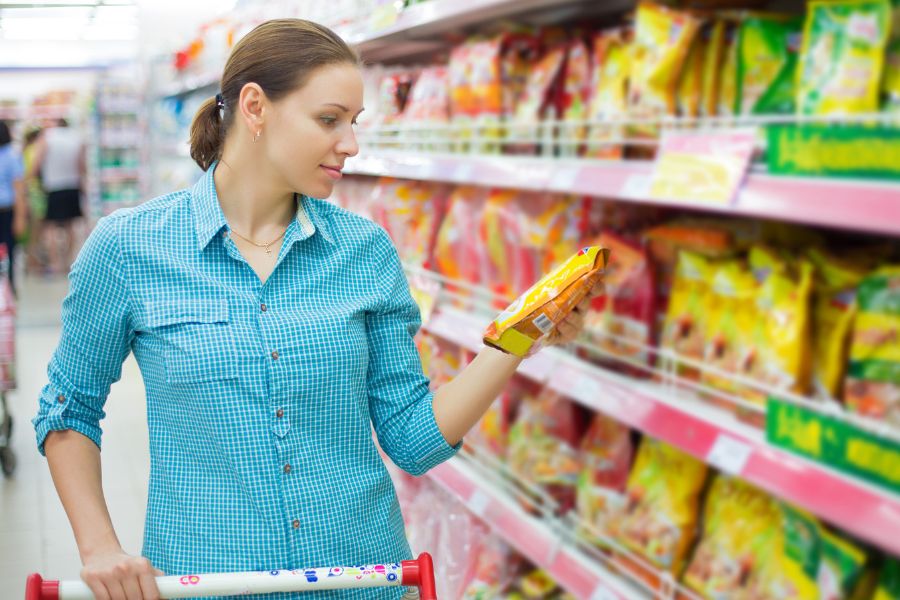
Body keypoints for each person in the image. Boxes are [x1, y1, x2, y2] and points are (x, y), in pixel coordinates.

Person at [33, 19, 603, 600]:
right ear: (255, 108)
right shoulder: (130, 247)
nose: (351, 144)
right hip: (209, 583)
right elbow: (67, 408)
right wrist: (99, 546)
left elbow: (412, 439)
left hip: (362, 581)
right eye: (329, 120)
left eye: (353, 123)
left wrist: (519, 337)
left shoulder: (364, 250)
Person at [26, 117, 84, 275]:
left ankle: (55, 264)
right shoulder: (76, 138)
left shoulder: (47, 138)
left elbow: (37, 162)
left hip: (53, 186)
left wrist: (29, 180)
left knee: (50, 226)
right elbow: (81, 165)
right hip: (72, 184)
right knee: (71, 225)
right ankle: (69, 262)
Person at [0, 120, 28, 294]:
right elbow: (19, 189)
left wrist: (19, 217)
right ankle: (9, 287)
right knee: (10, 250)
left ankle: (8, 287)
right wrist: (20, 217)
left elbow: (18, 188)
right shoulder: (13, 154)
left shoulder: (11, 154)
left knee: (9, 249)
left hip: (8, 210)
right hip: (8, 210)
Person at [22, 126, 48, 274]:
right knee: (36, 231)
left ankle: (31, 262)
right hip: (35, 194)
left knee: (33, 231)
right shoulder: (34, 151)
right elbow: (33, 173)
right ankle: (33, 263)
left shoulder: (26, 150)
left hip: (32, 194)